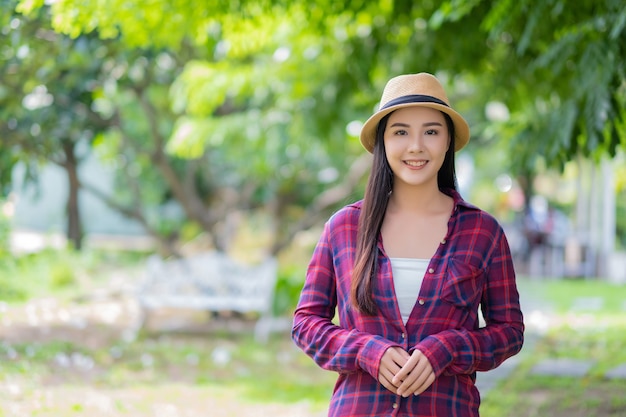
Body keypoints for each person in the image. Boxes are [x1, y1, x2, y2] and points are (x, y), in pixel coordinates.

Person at [291, 72, 524, 416]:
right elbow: (306, 323)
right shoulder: (343, 228)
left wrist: (448, 348)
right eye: (401, 132)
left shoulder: (482, 232)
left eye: (431, 131)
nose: (416, 146)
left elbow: (509, 331)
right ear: (382, 141)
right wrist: (367, 351)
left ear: (448, 142)